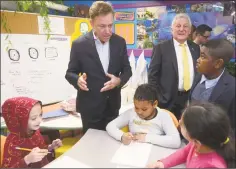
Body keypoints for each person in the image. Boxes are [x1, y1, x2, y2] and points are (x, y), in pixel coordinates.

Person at [65, 1, 132, 134]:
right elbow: (70, 73)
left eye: (110, 25)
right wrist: (77, 81)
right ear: (91, 23)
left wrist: (118, 81)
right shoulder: (79, 45)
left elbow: (127, 70)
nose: (108, 31)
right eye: (102, 26)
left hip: (112, 107)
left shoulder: (119, 42)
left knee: (111, 146)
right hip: (89, 109)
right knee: (91, 148)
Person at [147, 102, 235, 168]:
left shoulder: (211, 166)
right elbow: (184, 152)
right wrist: (163, 163)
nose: (179, 121)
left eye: (182, 124)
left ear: (196, 141)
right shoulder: (198, 144)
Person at [148, 13, 200, 120]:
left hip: (190, 100)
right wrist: (159, 98)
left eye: (185, 26)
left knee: (188, 130)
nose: (181, 29)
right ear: (172, 29)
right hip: (167, 100)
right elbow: (152, 76)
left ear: (190, 30)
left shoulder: (196, 48)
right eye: (178, 26)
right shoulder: (161, 48)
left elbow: (199, 72)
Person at [106, 84, 181, 149]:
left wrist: (146, 138)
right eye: (136, 107)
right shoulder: (131, 113)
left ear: (155, 104)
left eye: (144, 109)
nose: (139, 112)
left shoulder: (164, 116)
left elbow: (176, 141)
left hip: (155, 152)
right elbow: (110, 126)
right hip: (132, 151)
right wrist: (121, 136)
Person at [1, 97, 62, 168]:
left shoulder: (34, 132)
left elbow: (41, 150)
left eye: (40, 115)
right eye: (34, 118)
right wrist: (27, 160)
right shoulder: (12, 143)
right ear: (20, 120)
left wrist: (51, 147)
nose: (39, 120)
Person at [190, 39, 235, 134]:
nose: (197, 60)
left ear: (218, 63)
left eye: (203, 57)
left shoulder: (232, 88)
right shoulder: (197, 77)